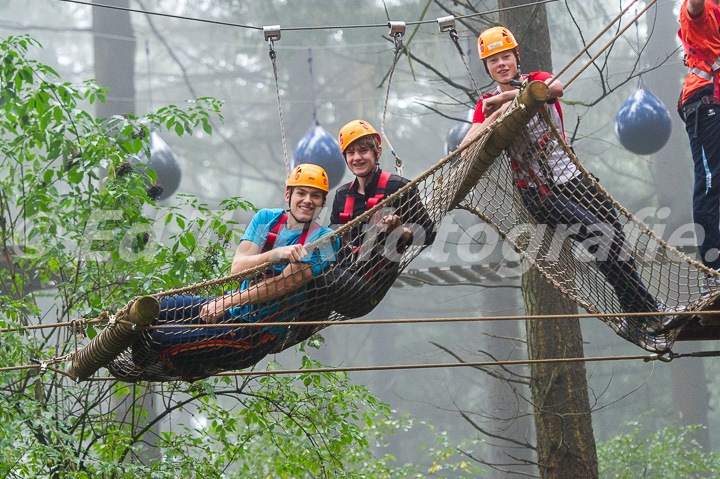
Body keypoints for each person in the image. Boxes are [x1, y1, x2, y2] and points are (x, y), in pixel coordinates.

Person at [461, 26, 668, 351]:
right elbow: (468, 144)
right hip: (540, 192)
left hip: (574, 178)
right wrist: (497, 112)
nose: (501, 64)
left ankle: (635, 316)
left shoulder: (536, 80)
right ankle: (650, 312)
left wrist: (505, 99)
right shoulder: (485, 103)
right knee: (602, 235)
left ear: (517, 57)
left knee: (616, 241)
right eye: (493, 61)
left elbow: (553, 88)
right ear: (487, 68)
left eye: (505, 57)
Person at [129, 164, 338, 380]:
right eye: (301, 193)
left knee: (156, 337)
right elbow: (238, 268)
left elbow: (283, 285)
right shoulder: (267, 219)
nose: (307, 200)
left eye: (315, 196)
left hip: (253, 335)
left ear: (323, 202)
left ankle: (158, 366)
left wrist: (225, 303)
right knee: (151, 308)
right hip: (229, 310)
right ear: (288, 195)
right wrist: (275, 254)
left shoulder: (325, 240)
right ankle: (144, 362)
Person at [322, 119, 436, 317]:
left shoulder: (398, 188)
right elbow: (333, 239)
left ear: (377, 152)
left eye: (363, 151)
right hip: (339, 282)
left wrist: (401, 232)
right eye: (350, 153)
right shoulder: (341, 196)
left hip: (368, 288)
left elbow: (428, 235)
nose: (357, 158)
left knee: (310, 275)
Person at [678, 0, 720, 282]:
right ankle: (713, 269)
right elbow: (695, 6)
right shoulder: (704, 9)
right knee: (710, 182)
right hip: (706, 105)